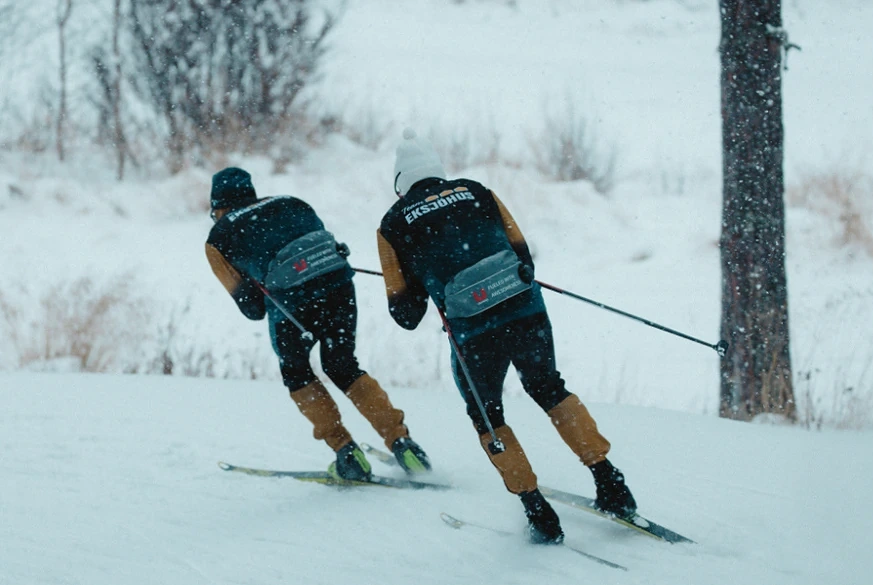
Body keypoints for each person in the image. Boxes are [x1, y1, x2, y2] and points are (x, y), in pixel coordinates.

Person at [375, 129, 637, 544]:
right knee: (549, 388)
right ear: (438, 172)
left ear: (400, 181)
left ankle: (537, 509)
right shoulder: (478, 191)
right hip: (525, 309)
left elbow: (405, 314)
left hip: (473, 331)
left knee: (488, 415)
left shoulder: (392, 223)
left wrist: (427, 279)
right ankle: (611, 482)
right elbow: (521, 251)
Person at [204, 167, 431, 480]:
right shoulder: (291, 202)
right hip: (338, 285)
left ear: (217, 207)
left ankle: (346, 452)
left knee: (297, 373)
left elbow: (253, 309)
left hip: (291, 304)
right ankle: (402, 442)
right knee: (343, 366)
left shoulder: (218, 237)